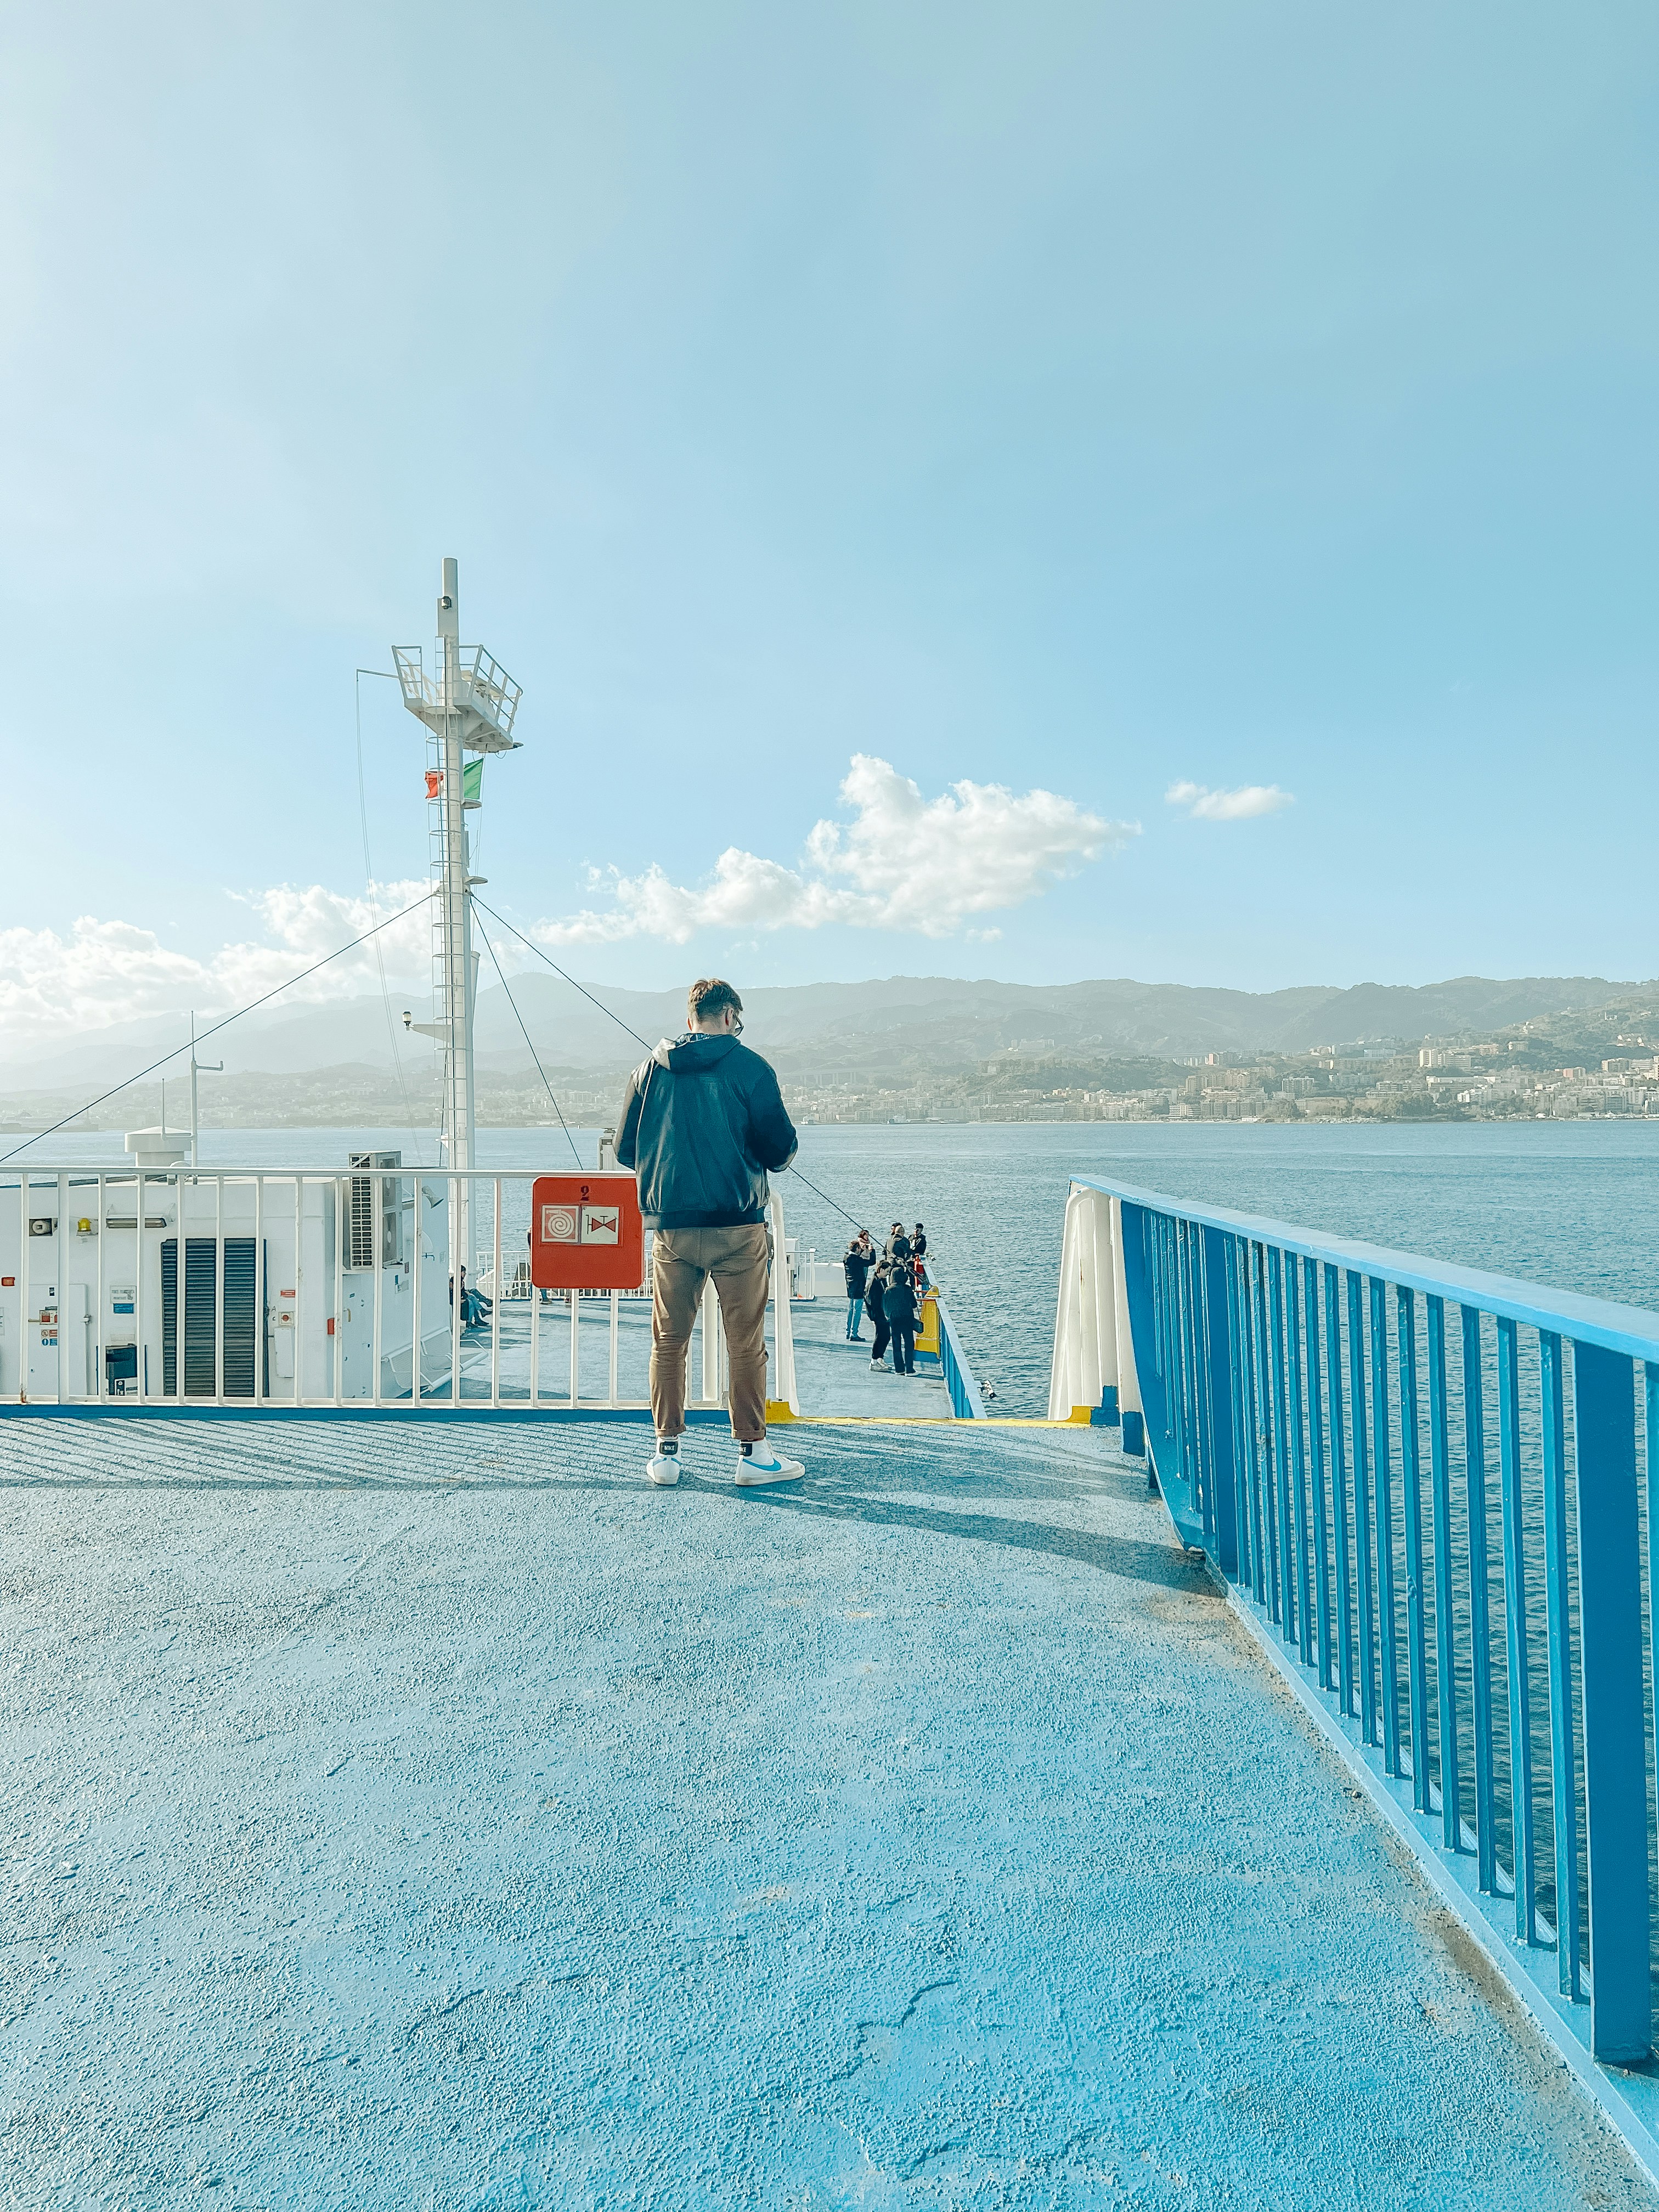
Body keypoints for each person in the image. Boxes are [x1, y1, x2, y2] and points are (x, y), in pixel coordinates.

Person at [615, 977, 804, 1489]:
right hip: (738, 1227)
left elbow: (625, 1150)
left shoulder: (648, 1071)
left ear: (689, 1019)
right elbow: (780, 1151)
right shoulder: (750, 1068)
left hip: (672, 1229)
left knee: (668, 1341)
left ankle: (666, 1454)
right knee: (744, 1343)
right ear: (728, 1017)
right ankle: (753, 1453)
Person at [883, 1264, 920, 1375]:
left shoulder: (888, 1290)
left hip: (894, 1319)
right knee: (909, 1343)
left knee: (896, 1343)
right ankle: (909, 1369)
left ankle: (899, 1369)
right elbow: (914, 1305)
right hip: (907, 1319)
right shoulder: (907, 1289)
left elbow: (885, 1307)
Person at [842, 1239, 871, 1340]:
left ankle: (848, 1331)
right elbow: (871, 1262)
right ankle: (854, 1333)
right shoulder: (857, 1260)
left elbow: (858, 1257)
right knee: (857, 1310)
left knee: (851, 1309)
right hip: (859, 1287)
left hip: (851, 1287)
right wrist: (872, 1251)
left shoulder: (847, 1257)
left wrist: (862, 1249)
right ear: (857, 1249)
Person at [865, 1260, 891, 1369]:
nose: (888, 1273)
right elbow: (873, 1303)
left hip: (883, 1315)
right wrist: (876, 1318)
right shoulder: (873, 1285)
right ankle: (874, 1361)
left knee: (886, 1337)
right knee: (880, 1337)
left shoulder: (882, 1281)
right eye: (887, 1271)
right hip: (879, 1316)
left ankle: (880, 1358)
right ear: (881, 1270)